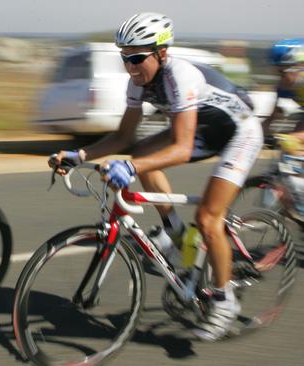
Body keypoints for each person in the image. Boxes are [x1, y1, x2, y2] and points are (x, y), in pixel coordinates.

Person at [50, 12, 263, 341]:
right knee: (140, 157)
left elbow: (181, 147)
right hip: (204, 130)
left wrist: (131, 168)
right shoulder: (136, 83)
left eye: (136, 58)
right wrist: (80, 155)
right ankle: (176, 234)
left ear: (162, 53)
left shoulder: (180, 76)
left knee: (208, 218)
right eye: (125, 58)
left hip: (240, 132)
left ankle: (224, 301)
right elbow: (122, 138)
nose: (131, 67)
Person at [262, 38, 304, 145]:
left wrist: (292, 138)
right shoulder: (283, 88)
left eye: (282, 72)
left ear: (299, 67)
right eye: (277, 72)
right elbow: (271, 118)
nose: (280, 79)